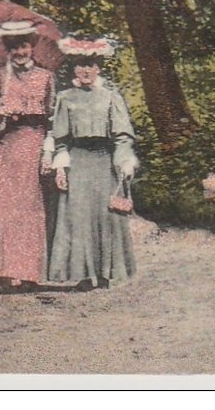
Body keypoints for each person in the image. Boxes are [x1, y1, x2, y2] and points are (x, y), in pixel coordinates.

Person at [46, 38, 140, 289]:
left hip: (103, 162)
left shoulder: (110, 97)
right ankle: (84, 275)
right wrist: (61, 165)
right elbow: (61, 138)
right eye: (80, 66)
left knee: (105, 216)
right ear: (74, 69)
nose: (86, 71)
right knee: (78, 218)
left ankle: (105, 273)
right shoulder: (65, 98)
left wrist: (124, 161)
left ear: (99, 68)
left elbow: (122, 136)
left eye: (91, 65)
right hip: (78, 162)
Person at [0, 19, 56, 293]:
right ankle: (4, 275)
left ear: (32, 47)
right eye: (13, 48)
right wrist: (0, 114)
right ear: (7, 50)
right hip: (6, 148)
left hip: (32, 145)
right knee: (4, 208)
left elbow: (54, 116)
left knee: (30, 208)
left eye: (24, 46)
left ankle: (30, 273)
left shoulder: (46, 78)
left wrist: (48, 148)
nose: (20, 53)